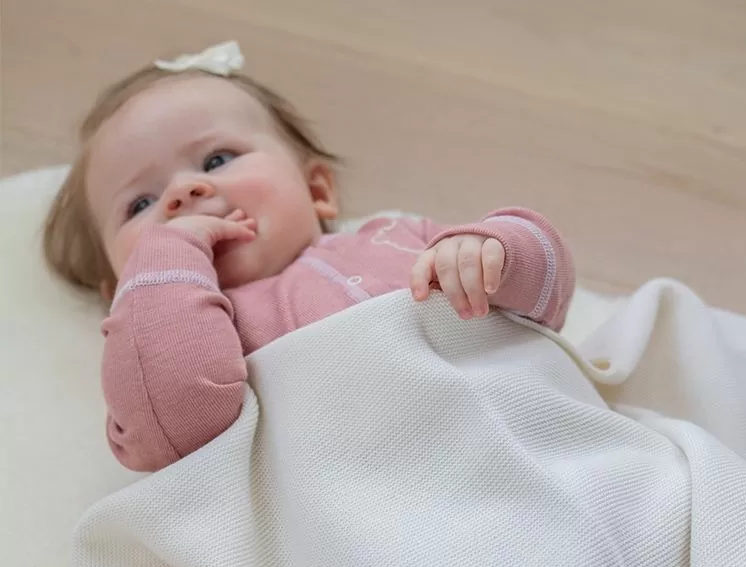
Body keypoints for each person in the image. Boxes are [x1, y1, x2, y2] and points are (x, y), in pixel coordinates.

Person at [44, 41, 575, 472]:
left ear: (317, 189)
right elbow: (174, 424)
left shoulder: (397, 237)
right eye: (140, 204)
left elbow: (545, 299)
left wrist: (496, 253)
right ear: (120, 291)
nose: (182, 192)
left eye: (217, 158)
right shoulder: (198, 340)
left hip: (534, 447)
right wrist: (165, 267)